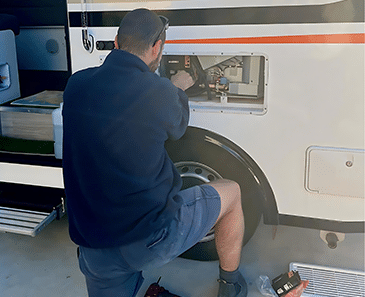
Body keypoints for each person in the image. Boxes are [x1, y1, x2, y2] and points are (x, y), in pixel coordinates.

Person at [62, 8, 247, 297]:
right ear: (157, 48)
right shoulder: (160, 92)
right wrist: (178, 88)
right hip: (149, 240)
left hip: (94, 248)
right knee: (232, 192)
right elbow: (177, 126)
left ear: (115, 43)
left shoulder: (76, 85)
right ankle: (232, 285)